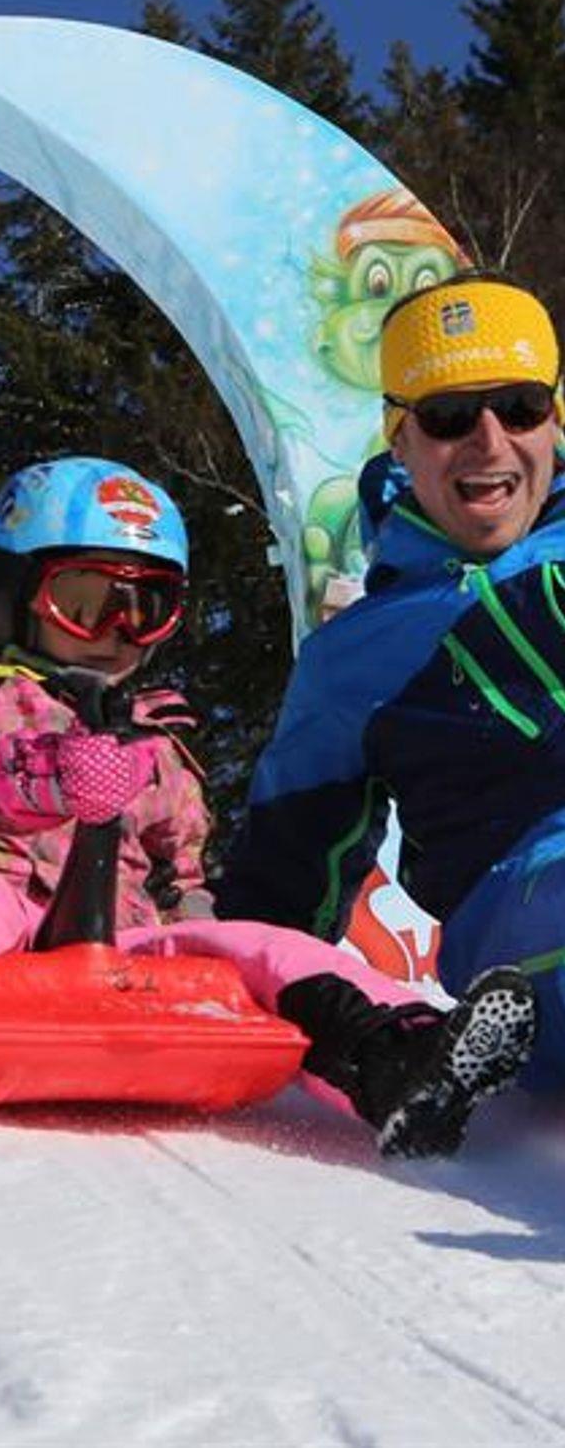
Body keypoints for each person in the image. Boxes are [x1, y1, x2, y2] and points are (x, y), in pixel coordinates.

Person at [0, 456, 538, 1158]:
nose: (117, 633)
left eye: (147, 607)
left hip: (119, 945)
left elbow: (179, 859)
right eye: (86, 601)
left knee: (258, 944)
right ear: (10, 594)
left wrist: (195, 911)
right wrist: (49, 775)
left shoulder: (149, 735)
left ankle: (400, 1058)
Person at [218, 269, 565, 1091]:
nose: (489, 441)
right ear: (400, 440)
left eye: (519, 407)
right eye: (448, 417)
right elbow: (282, 881)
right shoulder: (355, 659)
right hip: (522, 911)